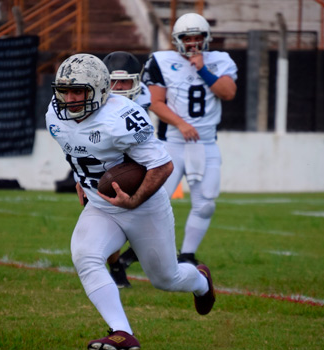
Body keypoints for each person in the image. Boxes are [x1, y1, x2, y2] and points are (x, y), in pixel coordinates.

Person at [45, 53, 215, 350]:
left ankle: (201, 281)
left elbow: (163, 166)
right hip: (102, 204)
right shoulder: (54, 115)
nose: (70, 99)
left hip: (144, 206)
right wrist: (81, 183)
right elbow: (77, 153)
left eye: (78, 91)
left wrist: (134, 199)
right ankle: (122, 334)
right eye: (65, 90)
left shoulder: (122, 117)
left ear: (99, 89)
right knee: (85, 256)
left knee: (166, 278)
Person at [142, 13, 238, 266]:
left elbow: (228, 93)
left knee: (205, 204)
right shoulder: (162, 61)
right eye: (187, 37)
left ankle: (186, 255)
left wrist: (202, 68)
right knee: (155, 203)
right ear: (177, 39)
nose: (193, 42)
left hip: (205, 144)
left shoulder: (220, 61)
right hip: (171, 143)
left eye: (198, 37)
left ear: (206, 38)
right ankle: (142, 253)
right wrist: (181, 124)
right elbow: (154, 101)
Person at [102, 51, 149, 289]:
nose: (118, 87)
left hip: (138, 162)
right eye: (112, 82)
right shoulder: (95, 101)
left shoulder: (145, 97)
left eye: (125, 81)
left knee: (149, 226)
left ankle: (135, 252)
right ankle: (116, 265)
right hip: (106, 166)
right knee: (110, 223)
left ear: (136, 81)